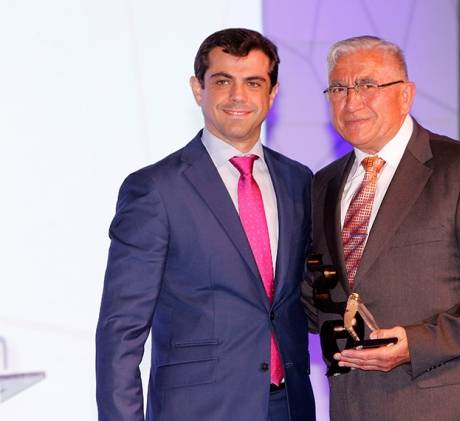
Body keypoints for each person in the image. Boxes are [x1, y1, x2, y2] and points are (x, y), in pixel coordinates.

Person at [303, 35, 460, 420]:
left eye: (367, 85)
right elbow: (323, 299)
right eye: (339, 88)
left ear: (406, 95)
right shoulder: (324, 184)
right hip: (355, 406)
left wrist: (415, 344)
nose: (351, 101)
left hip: (449, 408)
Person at [96, 28, 315, 421]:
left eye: (253, 82)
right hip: (198, 411)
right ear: (198, 89)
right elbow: (120, 332)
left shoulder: (299, 181)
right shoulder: (154, 189)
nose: (237, 96)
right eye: (222, 81)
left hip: (289, 406)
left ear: (273, 94)